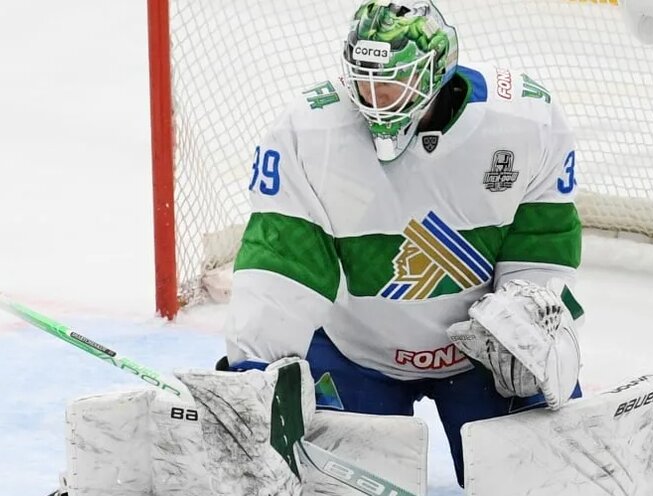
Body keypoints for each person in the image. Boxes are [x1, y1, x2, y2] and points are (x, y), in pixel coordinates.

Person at [223, 0, 584, 488]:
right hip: (356, 352)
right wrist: (255, 367)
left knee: (551, 483)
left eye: (391, 81)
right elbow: (281, 262)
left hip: (485, 358)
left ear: (436, 71)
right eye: (365, 81)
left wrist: (525, 320)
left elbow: (544, 239)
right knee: (314, 483)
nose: (375, 98)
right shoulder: (310, 134)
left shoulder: (524, 121)